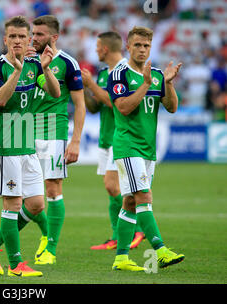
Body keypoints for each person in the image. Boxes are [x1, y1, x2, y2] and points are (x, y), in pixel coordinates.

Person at [0, 16, 60, 277]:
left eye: (22, 37)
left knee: (36, 204)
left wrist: (45, 68)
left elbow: (56, 93)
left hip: (28, 146)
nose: (17, 41)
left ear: (29, 40)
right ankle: (15, 265)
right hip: (5, 146)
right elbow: (0, 100)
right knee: (12, 204)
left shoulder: (35, 65)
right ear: (5, 39)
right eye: (12, 36)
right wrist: (16, 69)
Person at [107, 26, 185, 271]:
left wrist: (169, 84)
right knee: (144, 196)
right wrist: (145, 84)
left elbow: (172, 108)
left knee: (130, 202)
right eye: (137, 45)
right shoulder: (119, 74)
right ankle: (160, 249)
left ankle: (121, 258)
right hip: (128, 145)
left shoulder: (159, 75)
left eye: (146, 46)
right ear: (128, 47)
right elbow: (123, 108)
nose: (142, 49)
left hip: (148, 148)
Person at [29, 15, 85, 265]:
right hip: (26, 131)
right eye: (33, 33)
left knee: (52, 189)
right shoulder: (26, 60)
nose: (34, 38)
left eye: (39, 34)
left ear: (54, 37)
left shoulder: (68, 63)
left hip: (54, 131)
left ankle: (50, 248)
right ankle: (46, 234)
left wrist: (75, 141)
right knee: (24, 195)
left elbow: (80, 105)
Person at [81, 31, 145, 251]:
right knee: (112, 188)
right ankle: (117, 235)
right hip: (106, 137)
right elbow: (94, 107)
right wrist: (83, 88)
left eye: (98, 46)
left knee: (113, 186)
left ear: (105, 48)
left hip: (121, 136)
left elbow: (113, 102)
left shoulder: (123, 72)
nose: (96, 50)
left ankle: (136, 228)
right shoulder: (102, 73)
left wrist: (91, 85)